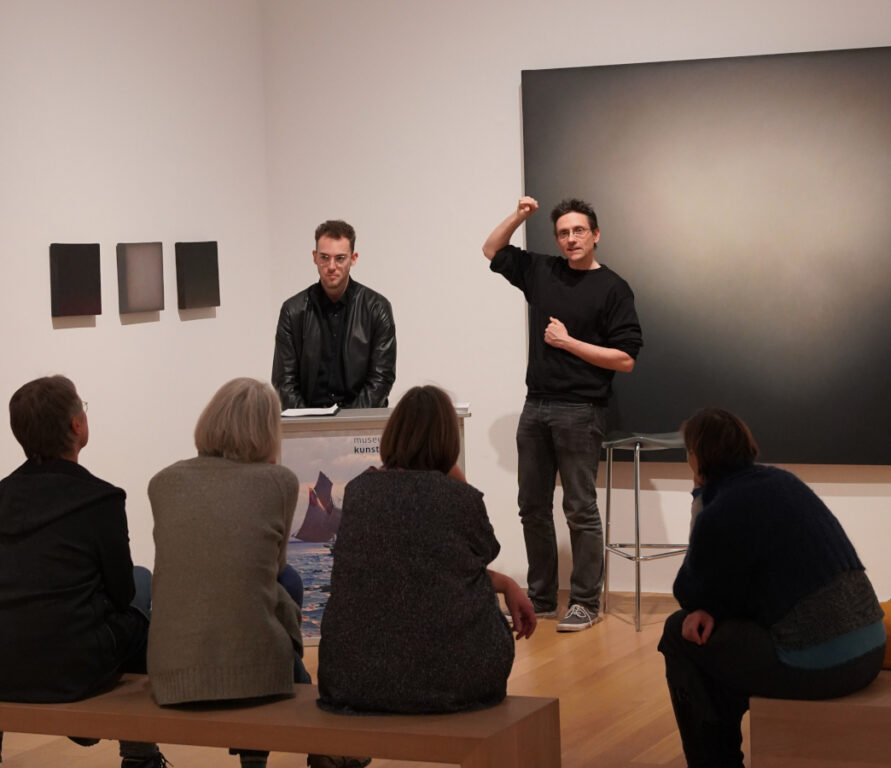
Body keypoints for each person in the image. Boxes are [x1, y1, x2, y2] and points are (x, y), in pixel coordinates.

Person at [146, 377, 365, 768]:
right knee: (289, 583)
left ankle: (305, 743)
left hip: (170, 673)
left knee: (280, 587)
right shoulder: (277, 482)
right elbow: (274, 569)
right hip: (255, 677)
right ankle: (317, 738)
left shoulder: (163, 481)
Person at [659, 407, 886, 768]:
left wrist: (699, 501)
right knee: (716, 636)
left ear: (697, 456)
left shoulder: (720, 509)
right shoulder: (782, 481)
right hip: (872, 648)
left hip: (822, 662)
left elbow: (690, 590)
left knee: (679, 634)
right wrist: (710, 606)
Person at [317, 385, 536, 715]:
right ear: (449, 441)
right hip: (456, 681)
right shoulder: (460, 499)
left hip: (353, 680)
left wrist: (506, 583)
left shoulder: (360, 492)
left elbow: (426, 565)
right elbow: (479, 555)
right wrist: (453, 474)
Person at [482, 196, 643, 632]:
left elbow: (625, 358)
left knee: (579, 508)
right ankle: (542, 598)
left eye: (578, 231)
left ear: (595, 234)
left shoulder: (613, 288)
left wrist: (569, 343)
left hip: (581, 410)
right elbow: (491, 249)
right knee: (532, 507)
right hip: (535, 405)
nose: (571, 239)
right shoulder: (542, 271)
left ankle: (586, 602)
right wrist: (519, 216)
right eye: (563, 233)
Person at [0, 375, 165, 768]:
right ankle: (140, 756)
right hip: (72, 667)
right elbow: (123, 593)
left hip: (3, 663)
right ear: (77, 425)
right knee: (141, 583)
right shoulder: (101, 499)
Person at [272, 219, 396, 410]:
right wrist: (311, 426)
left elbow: (381, 378)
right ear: (314, 257)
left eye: (339, 258)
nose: (331, 266)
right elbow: (284, 381)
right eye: (324, 257)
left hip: (361, 427)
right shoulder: (293, 311)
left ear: (353, 259)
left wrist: (347, 426)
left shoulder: (377, 308)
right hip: (306, 428)